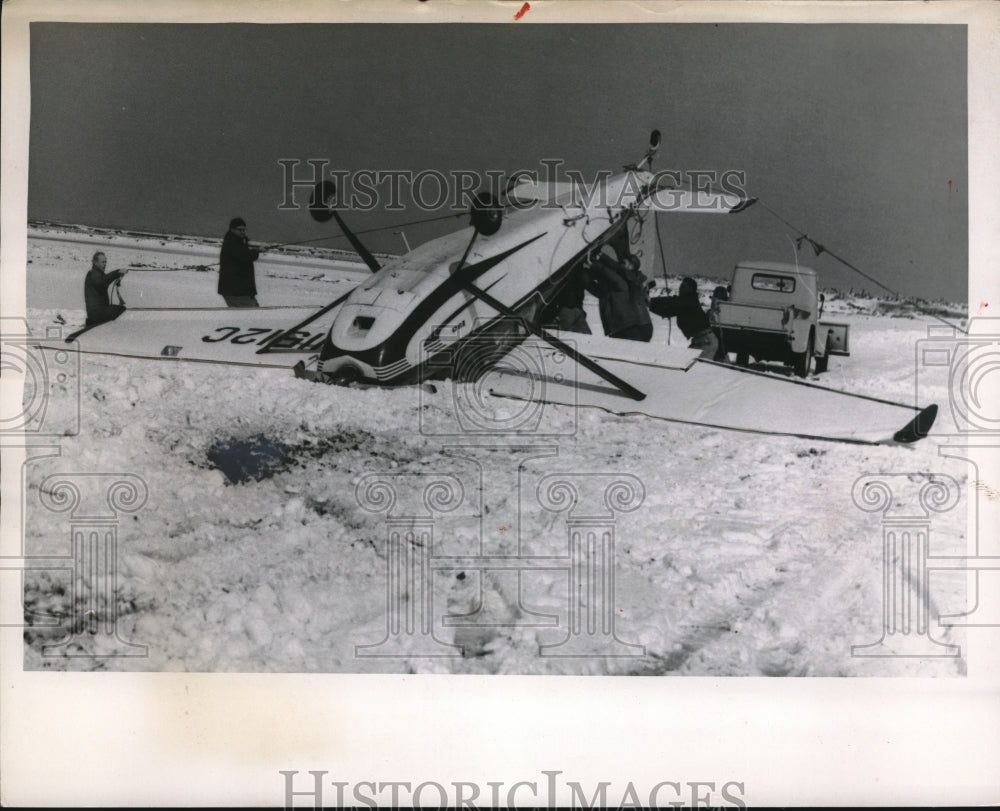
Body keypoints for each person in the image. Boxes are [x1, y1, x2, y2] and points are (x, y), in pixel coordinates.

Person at [584, 239, 653, 342]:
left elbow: (617, 272)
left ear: (632, 266)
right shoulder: (630, 281)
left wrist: (599, 259)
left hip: (637, 326)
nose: (620, 265)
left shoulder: (634, 279)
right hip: (633, 326)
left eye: (624, 263)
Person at [649, 277, 720, 359]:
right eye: (680, 285)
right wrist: (650, 304)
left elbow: (672, 303)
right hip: (702, 341)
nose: (680, 288)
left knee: (692, 367)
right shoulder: (687, 300)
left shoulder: (688, 301)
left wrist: (650, 302)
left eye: (683, 286)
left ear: (690, 289)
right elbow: (669, 308)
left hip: (706, 342)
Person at [218, 217, 260, 307]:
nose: (243, 232)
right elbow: (245, 257)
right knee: (252, 313)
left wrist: (253, 251)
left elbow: (243, 254)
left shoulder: (236, 241)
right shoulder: (233, 242)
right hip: (236, 291)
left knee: (244, 314)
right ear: (232, 230)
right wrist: (255, 252)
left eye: (244, 230)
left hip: (237, 290)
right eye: (240, 230)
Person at [83, 252, 128, 326]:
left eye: (105, 262)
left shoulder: (99, 274)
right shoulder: (93, 273)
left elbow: (104, 279)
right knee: (121, 310)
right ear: (95, 263)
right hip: (96, 313)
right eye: (103, 262)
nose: (105, 264)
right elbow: (102, 282)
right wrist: (117, 272)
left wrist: (117, 275)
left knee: (120, 309)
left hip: (99, 311)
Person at [547, 262, 592, 334]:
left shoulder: (576, 277)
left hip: (573, 310)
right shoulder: (565, 277)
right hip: (567, 310)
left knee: (585, 336)